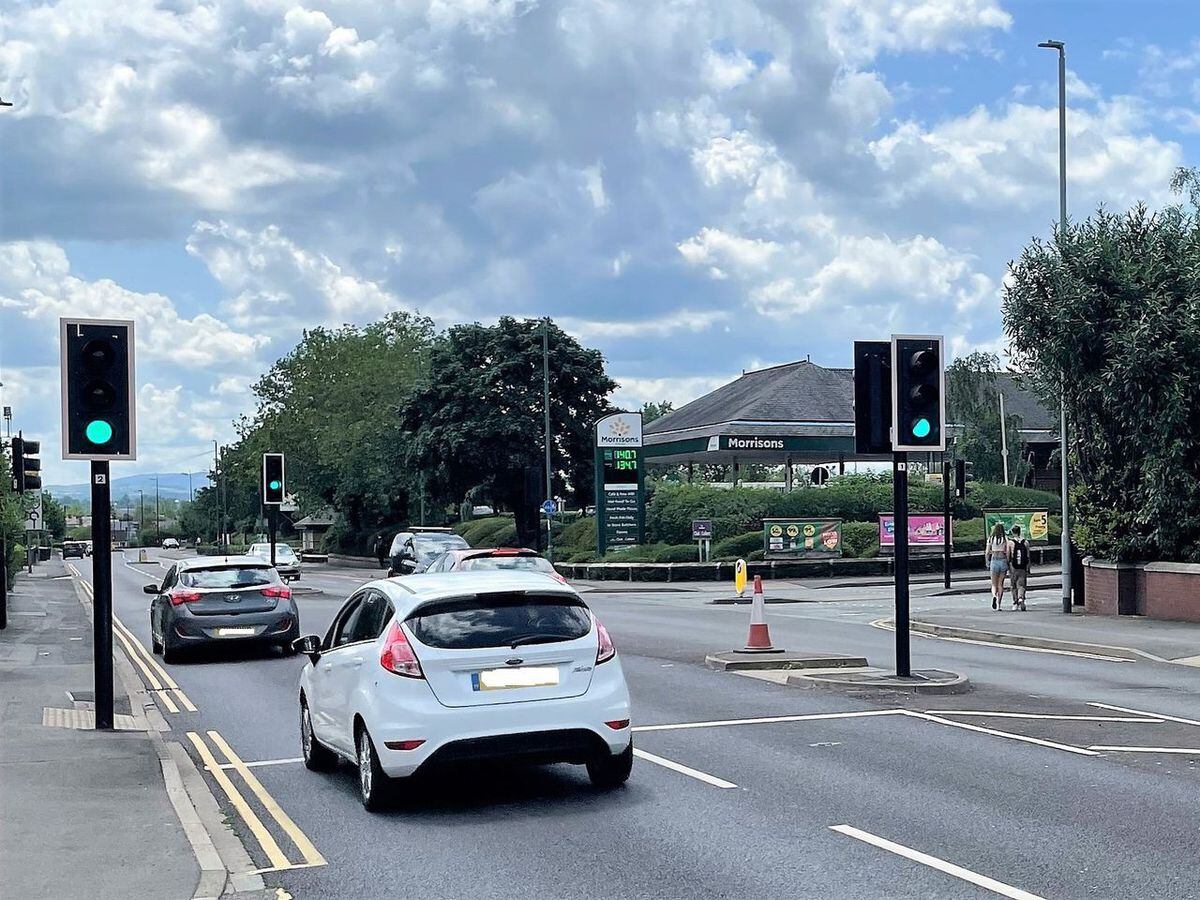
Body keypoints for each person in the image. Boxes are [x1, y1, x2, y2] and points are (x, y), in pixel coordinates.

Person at [985, 522, 1009, 611]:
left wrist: (987, 561)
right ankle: (999, 604)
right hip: (1003, 560)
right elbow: (1007, 551)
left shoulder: (991, 539)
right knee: (1000, 584)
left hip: (994, 560)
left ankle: (994, 595)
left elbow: (987, 552)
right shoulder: (1005, 539)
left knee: (993, 584)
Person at [1009, 524, 1029, 612]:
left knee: (1013, 585)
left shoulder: (1010, 543)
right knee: (1021, 585)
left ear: (1012, 532)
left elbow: (1008, 555)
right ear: (1020, 531)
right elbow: (1028, 555)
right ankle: (1021, 598)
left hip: (1013, 566)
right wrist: (1028, 567)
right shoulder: (1025, 542)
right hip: (1023, 566)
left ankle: (1015, 602)